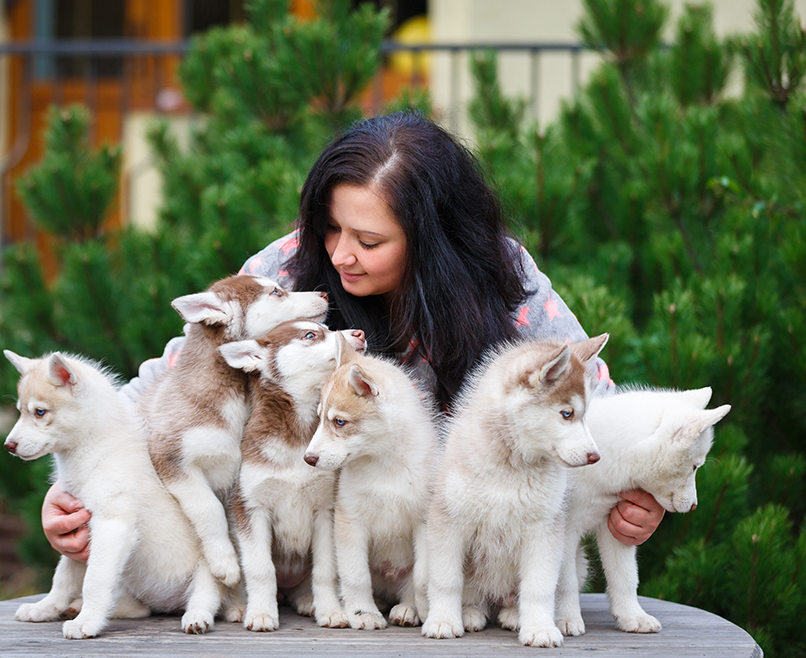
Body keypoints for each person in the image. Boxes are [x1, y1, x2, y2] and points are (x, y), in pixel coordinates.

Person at [42, 112, 664, 563]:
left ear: (435, 242)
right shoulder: (285, 271)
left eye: (370, 241)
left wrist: (643, 494)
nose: (340, 255)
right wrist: (68, 493)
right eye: (330, 227)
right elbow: (167, 387)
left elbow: (598, 410)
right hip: (292, 583)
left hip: (457, 582)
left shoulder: (504, 279)